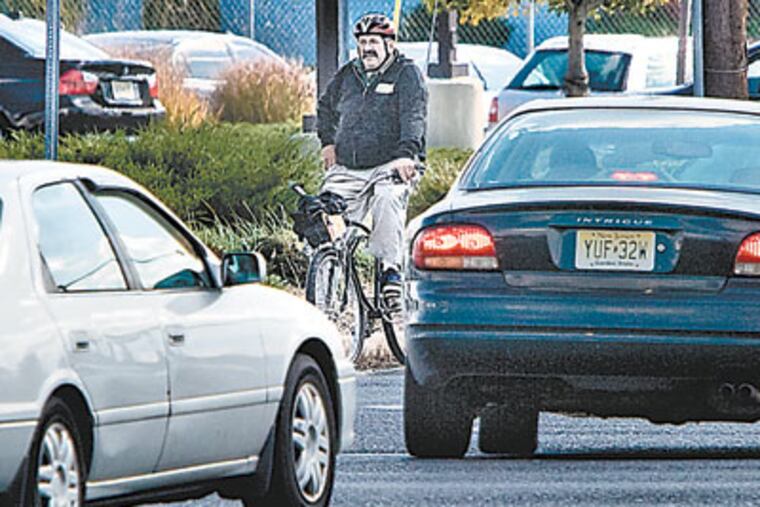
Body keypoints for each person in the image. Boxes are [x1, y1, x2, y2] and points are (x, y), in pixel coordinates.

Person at [317, 12, 427, 311]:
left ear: (389, 44)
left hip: (390, 164)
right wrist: (327, 141)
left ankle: (391, 270)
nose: (367, 48)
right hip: (348, 167)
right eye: (363, 42)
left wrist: (407, 154)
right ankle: (326, 282)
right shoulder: (347, 74)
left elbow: (413, 117)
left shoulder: (406, 74)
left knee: (387, 199)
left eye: (373, 42)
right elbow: (325, 107)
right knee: (325, 215)